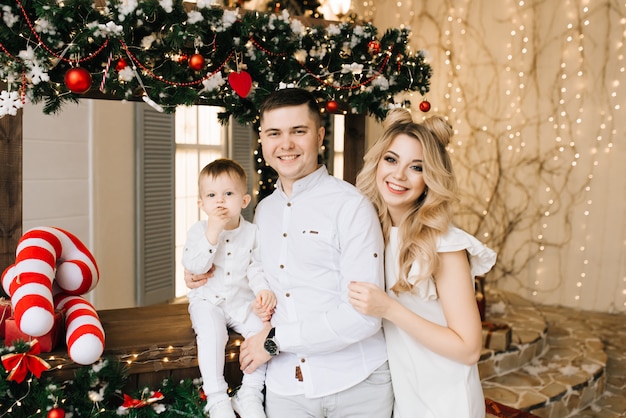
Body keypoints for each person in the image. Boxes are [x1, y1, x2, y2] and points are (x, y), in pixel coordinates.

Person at [236, 88, 393, 418]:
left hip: (357, 385)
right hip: (286, 389)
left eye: (299, 131)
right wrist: (202, 273)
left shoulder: (352, 207)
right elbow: (255, 278)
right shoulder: (263, 211)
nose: (286, 144)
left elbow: (363, 317)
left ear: (319, 136)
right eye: (274, 133)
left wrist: (273, 342)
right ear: (262, 140)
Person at [348, 108, 497, 418]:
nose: (398, 175)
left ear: (431, 179)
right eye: (391, 160)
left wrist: (388, 308)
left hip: (445, 400)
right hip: (402, 394)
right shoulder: (370, 232)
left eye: (416, 167)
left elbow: (469, 349)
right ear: (377, 163)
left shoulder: (444, 245)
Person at [182, 158, 276, 418]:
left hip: (240, 302)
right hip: (207, 301)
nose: (220, 201)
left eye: (228, 194)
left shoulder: (252, 232)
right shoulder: (199, 231)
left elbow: (256, 267)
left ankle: (250, 393)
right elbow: (195, 266)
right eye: (211, 195)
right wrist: (212, 232)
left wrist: (262, 290)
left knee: (263, 332)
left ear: (244, 201)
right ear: (202, 204)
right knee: (212, 334)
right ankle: (216, 397)